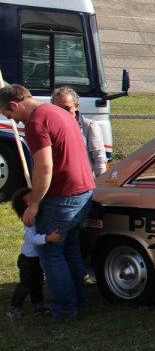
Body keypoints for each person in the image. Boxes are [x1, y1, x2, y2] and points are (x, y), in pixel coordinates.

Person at [0, 84, 95, 321]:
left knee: (51, 253)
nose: (15, 122)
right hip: (83, 191)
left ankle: (64, 309)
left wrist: (34, 203)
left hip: (61, 196)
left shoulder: (36, 123)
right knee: (70, 249)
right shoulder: (59, 112)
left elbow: (44, 166)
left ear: (14, 105)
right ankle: (79, 302)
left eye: (9, 116)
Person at [7, 187, 61, 319]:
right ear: (24, 209)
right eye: (30, 201)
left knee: (37, 283)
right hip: (28, 260)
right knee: (25, 285)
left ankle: (38, 304)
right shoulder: (29, 221)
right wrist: (48, 238)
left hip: (36, 259)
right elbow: (32, 238)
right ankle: (14, 306)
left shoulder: (40, 217)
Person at [51, 86, 107, 176]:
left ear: (76, 106)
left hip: (84, 182)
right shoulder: (50, 127)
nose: (62, 112)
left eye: (67, 108)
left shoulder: (89, 127)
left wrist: (100, 183)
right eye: (58, 109)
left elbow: (99, 158)